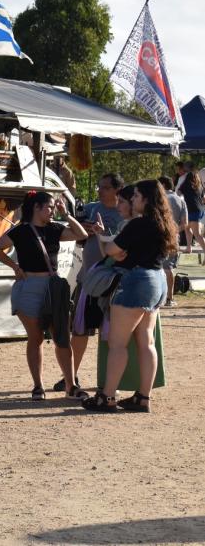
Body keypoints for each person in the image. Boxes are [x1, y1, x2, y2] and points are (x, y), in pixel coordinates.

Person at [83, 180, 177, 413]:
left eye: (135, 196)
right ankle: (143, 397)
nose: (131, 200)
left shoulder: (138, 224)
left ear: (145, 199)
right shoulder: (163, 224)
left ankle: (107, 397)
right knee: (147, 341)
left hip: (136, 281)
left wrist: (115, 246)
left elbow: (113, 251)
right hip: (157, 281)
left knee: (117, 344)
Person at [0, 191, 89, 400]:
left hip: (52, 286)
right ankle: (38, 386)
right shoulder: (21, 230)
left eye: (54, 207)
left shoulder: (55, 228)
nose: (53, 210)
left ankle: (71, 385)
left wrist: (67, 214)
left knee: (61, 336)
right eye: (50, 206)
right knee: (36, 338)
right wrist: (15, 267)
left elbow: (82, 235)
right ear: (36, 207)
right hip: (29, 286)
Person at [54, 173, 124, 392]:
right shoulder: (93, 208)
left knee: (112, 333)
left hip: (114, 281)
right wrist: (83, 228)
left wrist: (104, 233)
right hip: (88, 278)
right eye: (99, 187)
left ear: (117, 190)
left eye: (105, 187)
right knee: (80, 330)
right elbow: (80, 238)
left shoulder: (125, 212)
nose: (100, 191)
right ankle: (71, 377)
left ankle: (110, 380)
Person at [158, 176, 188, 307]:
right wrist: (174, 231)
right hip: (173, 237)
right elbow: (185, 223)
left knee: (155, 266)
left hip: (157, 236)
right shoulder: (180, 200)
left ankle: (159, 297)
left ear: (163, 185)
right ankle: (169, 298)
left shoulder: (159, 199)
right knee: (168, 268)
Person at [176, 162, 205, 253]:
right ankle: (189, 247)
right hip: (198, 208)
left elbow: (178, 192)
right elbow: (203, 197)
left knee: (197, 234)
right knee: (187, 227)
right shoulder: (198, 182)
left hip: (192, 208)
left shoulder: (185, 179)